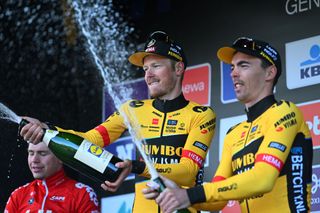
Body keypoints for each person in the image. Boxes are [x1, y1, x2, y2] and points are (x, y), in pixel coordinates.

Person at [19, 31, 217, 212]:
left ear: (178, 68)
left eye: (156, 66)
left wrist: (137, 167)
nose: (148, 75)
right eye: (145, 68)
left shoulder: (201, 115)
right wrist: (48, 129)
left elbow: (188, 172)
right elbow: (91, 139)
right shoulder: (133, 110)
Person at [143, 37, 314, 213]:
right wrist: (175, 193)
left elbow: (263, 178)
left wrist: (190, 196)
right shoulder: (234, 133)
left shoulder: (285, 111)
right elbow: (217, 202)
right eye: (232, 67)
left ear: (269, 73)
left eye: (243, 65)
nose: (233, 73)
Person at [5, 141, 100, 213]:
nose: (34, 160)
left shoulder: (82, 194)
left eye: (42, 153)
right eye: (31, 153)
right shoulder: (18, 195)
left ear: (60, 157)